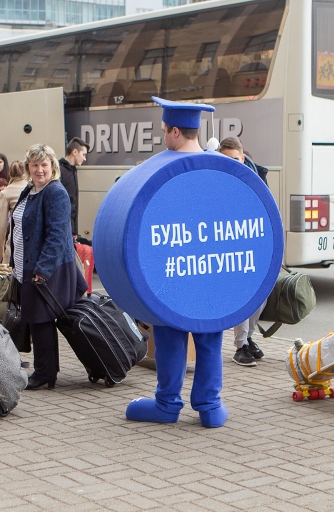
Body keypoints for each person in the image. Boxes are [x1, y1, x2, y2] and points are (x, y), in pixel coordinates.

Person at [125, 97, 229, 428]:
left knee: (169, 331)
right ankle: (210, 407)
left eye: (163, 130)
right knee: (210, 335)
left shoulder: (157, 168)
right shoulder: (218, 167)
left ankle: (167, 404)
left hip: (171, 270)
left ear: (172, 131)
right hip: (211, 271)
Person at [11, 145, 87, 390]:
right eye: (34, 165)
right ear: (28, 168)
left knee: (41, 318)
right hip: (27, 265)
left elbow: (57, 235)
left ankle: (45, 372)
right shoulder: (30, 190)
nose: (39, 169)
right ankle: (46, 370)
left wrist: (42, 270)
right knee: (36, 318)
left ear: (52, 167)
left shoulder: (55, 192)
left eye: (44, 165)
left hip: (47, 267)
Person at [218, 137, 266, 366]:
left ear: (243, 157)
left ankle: (248, 337)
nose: (232, 163)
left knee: (261, 296)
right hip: (231, 246)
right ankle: (241, 346)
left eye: (235, 159)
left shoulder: (257, 177)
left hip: (252, 243)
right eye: (226, 159)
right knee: (243, 294)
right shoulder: (217, 179)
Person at [0, 160, 26, 266]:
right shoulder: (34, 188)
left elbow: (0, 226)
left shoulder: (6, 192)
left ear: (10, 175)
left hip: (15, 243)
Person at [58, 137, 89, 239]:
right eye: (83, 155)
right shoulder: (60, 171)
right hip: (62, 228)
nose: (84, 159)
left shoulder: (73, 171)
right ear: (75, 152)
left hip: (70, 229)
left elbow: (74, 204)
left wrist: (74, 230)